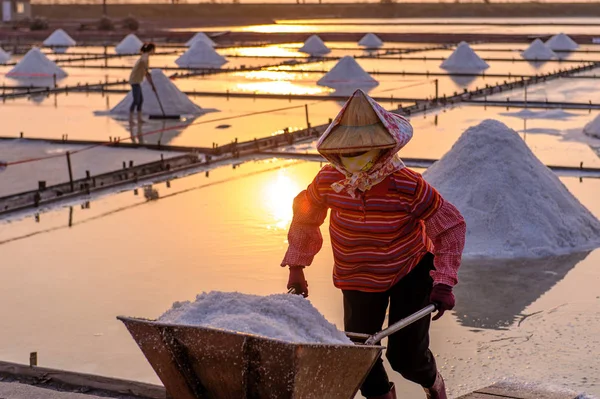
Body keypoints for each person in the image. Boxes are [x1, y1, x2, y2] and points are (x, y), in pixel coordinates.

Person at [281, 89, 466, 399]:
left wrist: (444, 282)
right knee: (360, 358)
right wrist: (297, 266)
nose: (351, 160)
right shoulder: (329, 181)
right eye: (347, 152)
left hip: (410, 269)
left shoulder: (407, 185)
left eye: (361, 152)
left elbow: (449, 227)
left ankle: (434, 386)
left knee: (406, 356)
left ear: (383, 149)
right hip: (357, 275)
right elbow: (305, 216)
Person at [129, 42, 156, 123]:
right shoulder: (145, 57)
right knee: (136, 100)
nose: (154, 52)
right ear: (151, 50)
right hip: (134, 80)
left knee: (140, 100)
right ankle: (130, 119)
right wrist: (152, 85)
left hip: (137, 80)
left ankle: (139, 119)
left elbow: (146, 72)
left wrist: (152, 84)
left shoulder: (145, 56)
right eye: (153, 50)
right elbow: (147, 73)